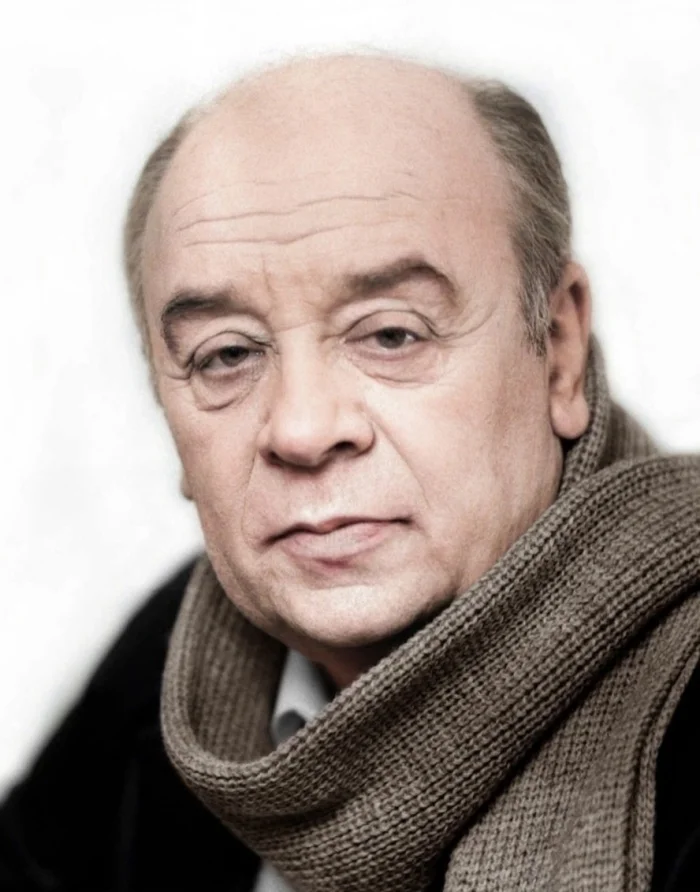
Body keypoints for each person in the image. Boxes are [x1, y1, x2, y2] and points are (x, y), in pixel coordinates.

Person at [2, 52, 700, 892]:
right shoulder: (168, 668)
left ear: (557, 352)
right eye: (227, 355)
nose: (302, 430)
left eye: (392, 334)